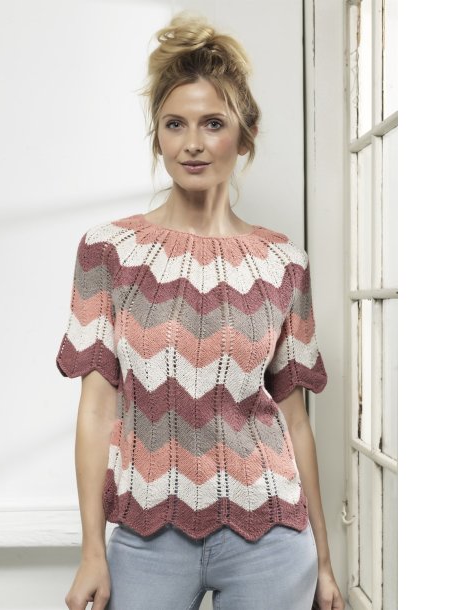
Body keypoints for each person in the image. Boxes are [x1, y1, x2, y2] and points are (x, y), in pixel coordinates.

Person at [56, 11, 345, 610]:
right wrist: (91, 551)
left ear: (245, 135)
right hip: (146, 538)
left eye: (213, 123)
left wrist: (323, 562)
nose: (192, 143)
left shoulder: (283, 263)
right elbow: (97, 409)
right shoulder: (109, 252)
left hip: (272, 538)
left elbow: (294, 421)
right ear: (157, 137)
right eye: (174, 124)